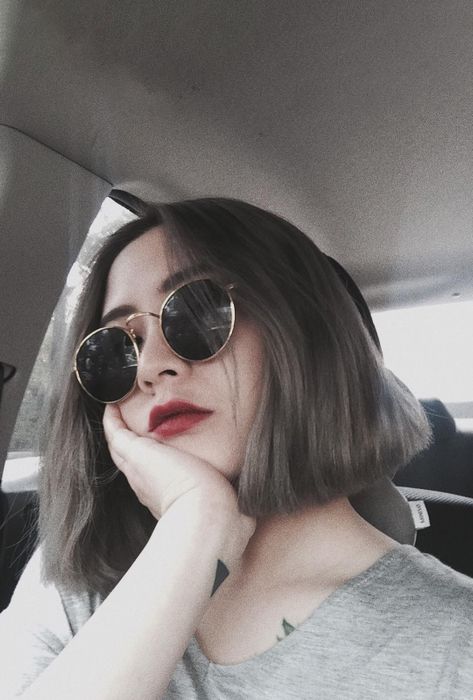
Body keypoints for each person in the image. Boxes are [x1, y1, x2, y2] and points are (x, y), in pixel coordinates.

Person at [1, 197, 472, 699]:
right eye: (116, 348)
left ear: (307, 332)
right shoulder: (76, 584)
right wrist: (196, 521)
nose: (150, 367)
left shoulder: (455, 645)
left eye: (197, 312)